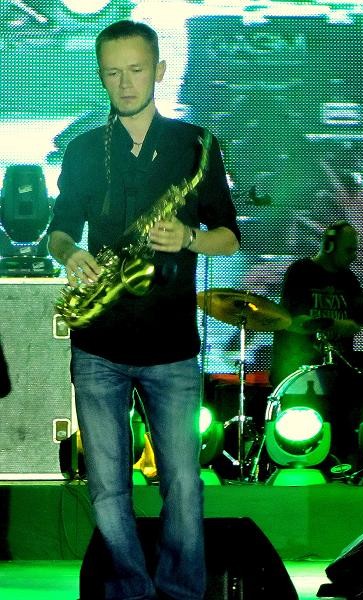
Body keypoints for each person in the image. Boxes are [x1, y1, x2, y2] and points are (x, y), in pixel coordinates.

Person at [48, 20, 240, 600]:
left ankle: (182, 593)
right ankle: (131, 592)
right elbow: (59, 229)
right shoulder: (84, 148)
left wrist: (190, 238)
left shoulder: (196, 145)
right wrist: (71, 253)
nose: (125, 83)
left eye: (135, 70)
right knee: (107, 488)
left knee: (184, 485)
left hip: (171, 347)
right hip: (98, 344)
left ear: (159, 71)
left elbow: (229, 235)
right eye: (112, 73)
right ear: (100, 76)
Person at [271, 221, 363, 464]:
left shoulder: (348, 279)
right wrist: (335, 325)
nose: (354, 256)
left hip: (338, 368)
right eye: (349, 250)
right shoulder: (301, 272)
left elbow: (360, 316)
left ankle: (346, 461)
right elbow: (293, 320)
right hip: (300, 367)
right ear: (329, 246)